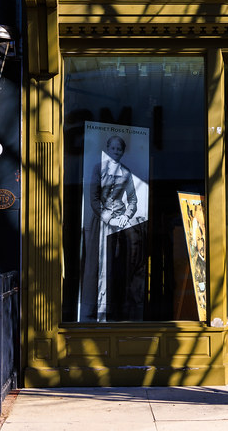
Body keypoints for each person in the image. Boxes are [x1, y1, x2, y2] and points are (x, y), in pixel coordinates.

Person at [79, 135, 146, 321]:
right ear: (108, 149)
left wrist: (125, 216)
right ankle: (95, 309)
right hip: (101, 222)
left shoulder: (126, 172)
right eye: (113, 148)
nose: (116, 152)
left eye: (119, 149)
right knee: (98, 263)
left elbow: (132, 199)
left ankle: (114, 309)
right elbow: (93, 197)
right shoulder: (98, 168)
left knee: (117, 264)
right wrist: (107, 216)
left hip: (120, 224)